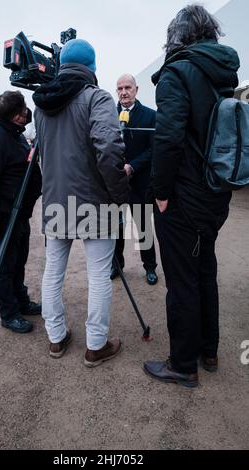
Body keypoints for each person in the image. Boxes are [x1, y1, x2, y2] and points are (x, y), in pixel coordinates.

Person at [143, 4, 240, 387]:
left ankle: (182, 365)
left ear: (176, 36)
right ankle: (208, 350)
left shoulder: (176, 72)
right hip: (215, 190)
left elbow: (168, 138)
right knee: (205, 271)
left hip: (183, 194)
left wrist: (161, 192)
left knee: (182, 279)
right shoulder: (223, 73)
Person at [33, 39, 129, 367]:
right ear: (93, 67)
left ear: (61, 65)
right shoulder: (97, 97)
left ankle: (56, 338)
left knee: (53, 271)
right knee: (99, 274)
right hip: (94, 203)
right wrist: (120, 195)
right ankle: (95, 345)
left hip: (56, 202)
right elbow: (110, 150)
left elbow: (45, 155)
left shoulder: (40, 106)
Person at [0, 91, 42, 334]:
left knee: (19, 261)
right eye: (23, 109)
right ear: (15, 116)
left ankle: (21, 301)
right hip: (3, 218)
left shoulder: (14, 134)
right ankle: (9, 313)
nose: (27, 112)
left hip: (19, 214)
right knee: (3, 266)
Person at [110, 74, 158, 286]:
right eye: (119, 88)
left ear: (136, 89)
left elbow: (153, 150)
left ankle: (150, 267)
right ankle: (116, 265)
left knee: (143, 228)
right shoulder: (109, 115)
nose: (123, 92)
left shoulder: (150, 116)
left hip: (139, 183)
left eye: (127, 87)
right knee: (116, 228)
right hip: (115, 186)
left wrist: (133, 166)